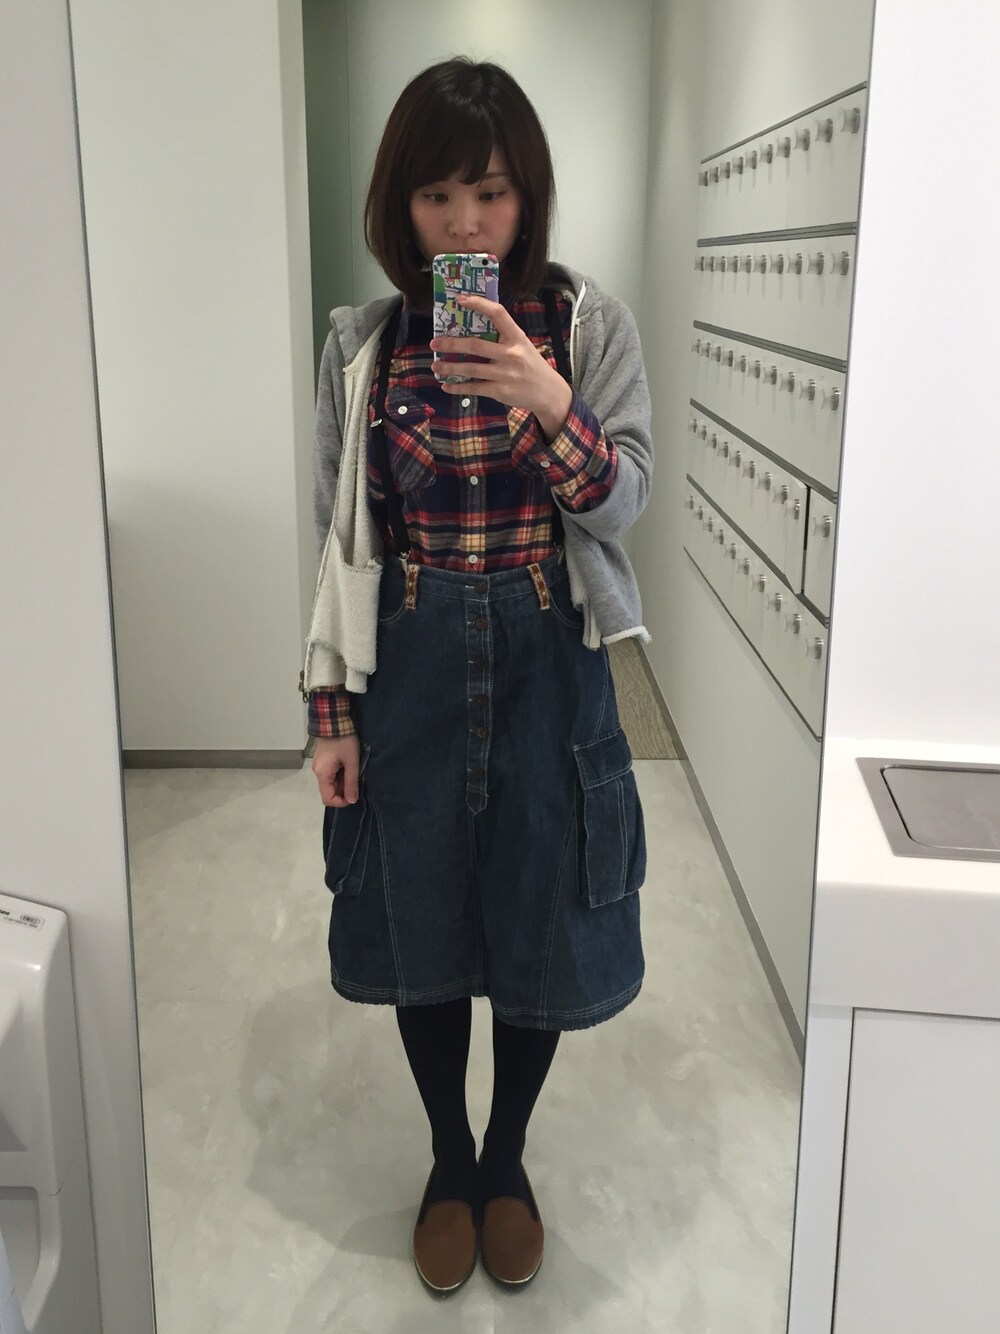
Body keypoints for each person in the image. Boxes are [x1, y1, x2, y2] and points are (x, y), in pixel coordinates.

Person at [301, 57, 652, 1294]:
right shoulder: (364, 347)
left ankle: (507, 1157)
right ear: (399, 204)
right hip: (409, 660)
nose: (464, 225)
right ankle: (449, 1158)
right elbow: (337, 541)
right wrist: (332, 712)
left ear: (528, 198)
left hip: (550, 656)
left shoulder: (589, 327)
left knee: (540, 918)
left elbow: (622, 502)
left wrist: (545, 399)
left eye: (490, 194)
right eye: (437, 195)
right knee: (426, 920)